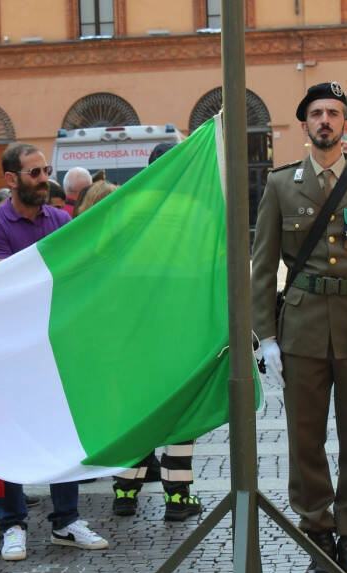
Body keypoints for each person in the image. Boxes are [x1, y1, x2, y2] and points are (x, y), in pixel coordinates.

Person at [251, 82, 347, 573]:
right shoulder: (280, 185)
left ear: (346, 124)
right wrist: (266, 337)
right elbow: (262, 267)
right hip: (301, 330)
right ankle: (318, 544)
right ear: (304, 125)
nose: (325, 121)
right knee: (306, 443)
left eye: (333, 113)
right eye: (316, 113)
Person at [0, 142, 108, 561]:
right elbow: (6, 285)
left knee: (62, 432)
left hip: (56, 346)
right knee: (10, 435)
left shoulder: (60, 219)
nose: (44, 179)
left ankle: (66, 521)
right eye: (34, 173)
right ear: (11, 180)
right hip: (14, 349)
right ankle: (12, 523)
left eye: (46, 170)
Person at [111, 139, 202, 522]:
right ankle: (177, 498)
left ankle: (125, 490)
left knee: (134, 411)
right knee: (181, 414)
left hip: (134, 329)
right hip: (179, 329)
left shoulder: (126, 207)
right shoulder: (198, 209)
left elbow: (105, 260)